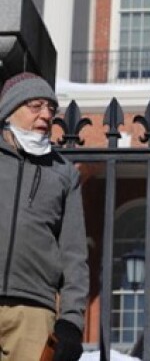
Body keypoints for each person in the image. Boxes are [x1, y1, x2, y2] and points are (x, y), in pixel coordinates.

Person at [0, 72, 88, 361]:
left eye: (51, 109)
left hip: (34, 312)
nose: (46, 115)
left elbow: (74, 254)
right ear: (10, 109)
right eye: (35, 106)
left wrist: (71, 322)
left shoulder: (63, 174)